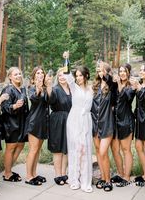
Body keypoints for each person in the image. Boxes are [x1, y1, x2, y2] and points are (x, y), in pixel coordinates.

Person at [63, 52, 93, 193]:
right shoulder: (73, 87)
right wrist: (66, 59)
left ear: (86, 75)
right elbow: (67, 74)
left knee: (85, 150)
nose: (78, 78)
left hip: (86, 120)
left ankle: (86, 182)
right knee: (75, 149)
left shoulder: (91, 89)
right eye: (77, 75)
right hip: (74, 119)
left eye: (81, 75)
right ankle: (74, 180)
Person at [91, 61, 116, 191]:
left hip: (107, 124)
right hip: (95, 124)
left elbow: (110, 80)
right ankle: (102, 177)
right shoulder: (95, 87)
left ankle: (108, 180)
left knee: (103, 152)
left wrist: (105, 71)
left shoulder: (112, 86)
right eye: (99, 70)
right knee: (98, 152)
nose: (100, 72)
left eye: (102, 70)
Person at [1, 67, 29, 182]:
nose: (18, 76)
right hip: (11, 122)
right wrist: (14, 106)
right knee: (11, 147)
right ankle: (7, 173)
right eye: (15, 74)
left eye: (19, 73)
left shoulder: (22, 89)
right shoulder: (8, 90)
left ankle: (8, 169)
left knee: (21, 145)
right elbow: (4, 107)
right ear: (10, 77)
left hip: (22, 121)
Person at [25, 66, 50, 186]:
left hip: (43, 122)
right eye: (38, 73)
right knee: (33, 150)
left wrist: (45, 88)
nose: (40, 74)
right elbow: (33, 99)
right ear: (34, 76)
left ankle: (34, 174)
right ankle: (28, 177)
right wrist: (38, 89)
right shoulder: (31, 88)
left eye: (42, 73)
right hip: (34, 122)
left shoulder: (46, 88)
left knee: (37, 151)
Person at [112, 63, 136, 187]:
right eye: (120, 71)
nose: (121, 73)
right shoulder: (116, 85)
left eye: (124, 71)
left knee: (126, 149)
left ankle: (126, 177)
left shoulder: (131, 86)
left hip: (126, 121)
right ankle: (120, 174)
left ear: (128, 73)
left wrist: (120, 85)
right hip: (115, 121)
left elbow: (128, 98)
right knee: (115, 149)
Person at [47, 68, 72, 185]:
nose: (62, 77)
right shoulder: (55, 89)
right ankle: (57, 175)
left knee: (66, 149)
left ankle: (63, 173)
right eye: (60, 75)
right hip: (57, 121)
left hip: (70, 120)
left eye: (64, 75)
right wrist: (48, 86)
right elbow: (50, 99)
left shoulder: (72, 89)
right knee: (57, 149)